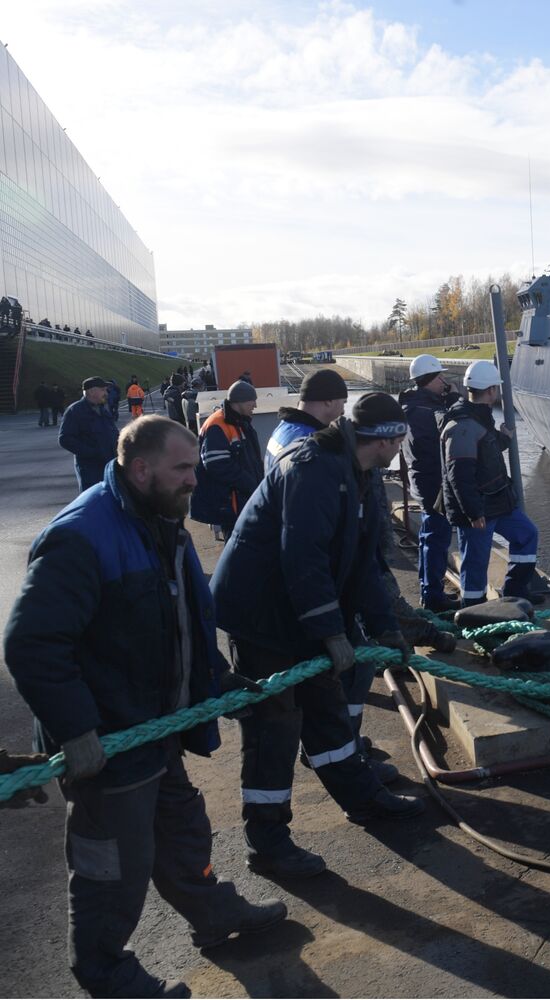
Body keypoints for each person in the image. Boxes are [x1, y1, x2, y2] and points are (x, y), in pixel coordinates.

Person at [4, 416, 286, 997]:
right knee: (112, 869)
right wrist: (76, 730)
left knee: (183, 833)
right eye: (182, 468)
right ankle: (107, 975)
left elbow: (181, 621)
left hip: (153, 728)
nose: (193, 479)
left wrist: (218, 679)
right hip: (107, 744)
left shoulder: (163, 520)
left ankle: (214, 915)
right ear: (142, 469)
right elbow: (30, 643)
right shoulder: (81, 536)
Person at [211, 393, 425, 878]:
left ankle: (362, 798)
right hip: (262, 615)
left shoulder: (362, 474)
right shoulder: (314, 468)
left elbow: (362, 564)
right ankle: (267, 841)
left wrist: (386, 627)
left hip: (297, 609)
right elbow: (302, 557)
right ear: (389, 439)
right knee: (275, 728)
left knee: (327, 709)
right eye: (400, 438)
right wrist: (331, 631)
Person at [440, 361, 539, 607]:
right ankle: (473, 612)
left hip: (497, 501)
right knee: (475, 562)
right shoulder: (463, 425)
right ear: (492, 390)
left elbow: (487, 449)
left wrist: (504, 438)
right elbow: (459, 475)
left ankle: (515, 593)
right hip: (479, 509)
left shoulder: (479, 418)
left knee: (527, 534)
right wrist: (473, 513)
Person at [400, 354, 461, 613]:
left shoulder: (414, 406)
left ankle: (429, 589)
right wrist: (456, 401)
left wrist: (446, 400)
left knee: (430, 536)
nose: (444, 381)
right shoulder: (424, 412)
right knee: (437, 538)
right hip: (433, 483)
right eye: (439, 377)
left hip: (422, 481)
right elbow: (448, 434)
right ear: (428, 379)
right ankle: (432, 595)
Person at [190, 380, 263, 540]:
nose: (255, 405)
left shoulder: (238, 422)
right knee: (237, 546)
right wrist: (249, 482)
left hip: (240, 500)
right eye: (252, 400)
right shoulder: (218, 425)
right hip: (230, 504)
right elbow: (216, 464)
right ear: (240, 401)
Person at [265, 368, 349, 468]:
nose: (343, 411)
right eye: (343, 402)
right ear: (328, 400)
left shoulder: (284, 427)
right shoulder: (309, 445)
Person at [59, 377, 119, 491]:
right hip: (90, 470)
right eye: (103, 390)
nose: (106, 393)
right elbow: (65, 439)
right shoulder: (75, 411)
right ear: (91, 391)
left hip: (109, 466)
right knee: (93, 502)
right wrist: (92, 453)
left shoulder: (103, 410)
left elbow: (112, 433)